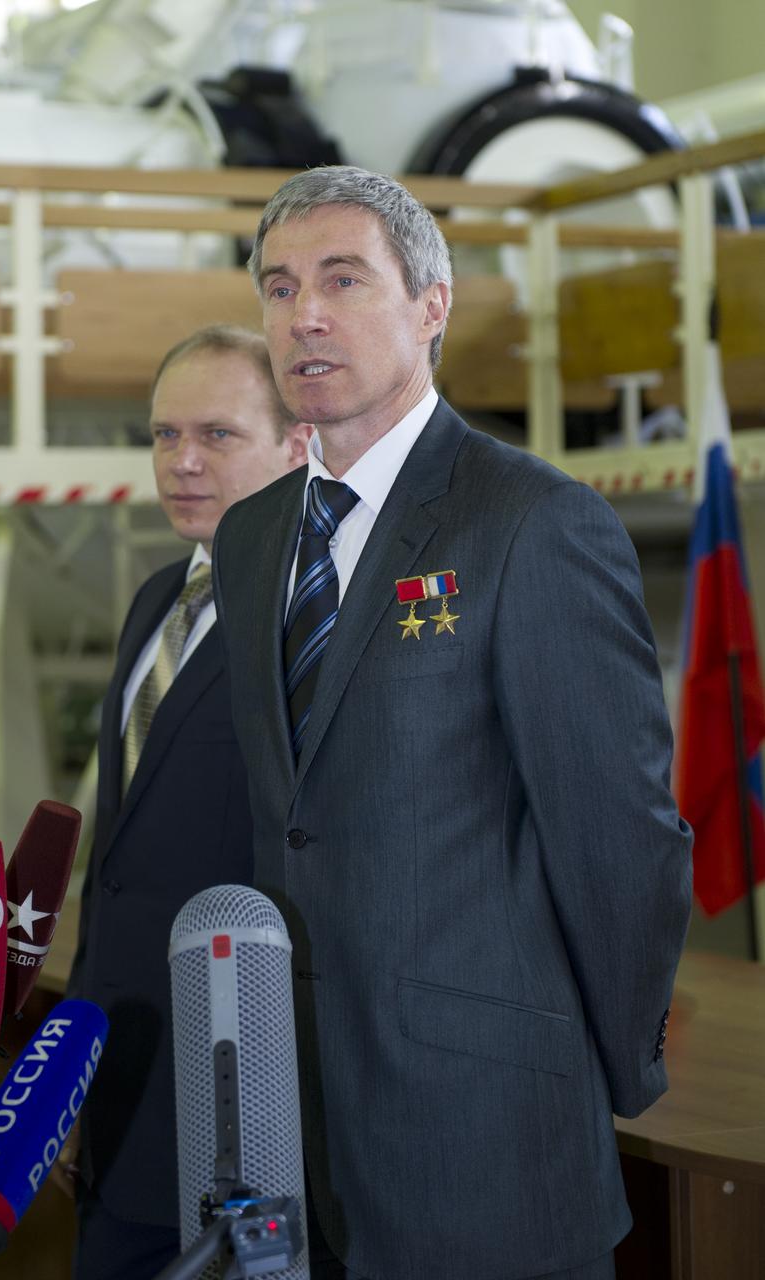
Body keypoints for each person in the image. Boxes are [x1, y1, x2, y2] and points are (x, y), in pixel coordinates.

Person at [211, 167, 693, 1280]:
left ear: (433, 305)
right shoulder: (252, 540)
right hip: (299, 1133)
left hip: (490, 1136)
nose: (306, 315)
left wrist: (593, 1068)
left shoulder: (532, 522)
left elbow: (622, 839)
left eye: (343, 279)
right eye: (279, 288)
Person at [62, 325, 311, 1280]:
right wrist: (79, 1080)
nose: (182, 462)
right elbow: (117, 869)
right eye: (164, 436)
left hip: (242, 1108)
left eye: (216, 434)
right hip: (121, 1087)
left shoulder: (310, 622)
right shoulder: (157, 599)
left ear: (297, 447)